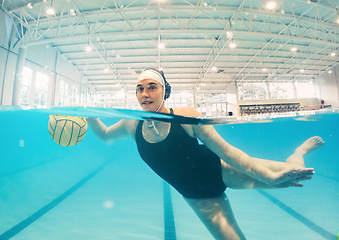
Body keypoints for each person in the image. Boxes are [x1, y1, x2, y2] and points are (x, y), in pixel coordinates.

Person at [87, 68, 324, 240]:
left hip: (224, 171)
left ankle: (299, 151)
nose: (144, 94)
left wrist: (267, 177)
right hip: (198, 197)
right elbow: (106, 135)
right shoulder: (132, 124)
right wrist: (89, 114)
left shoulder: (186, 116)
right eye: (139, 89)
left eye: (151, 87)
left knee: (289, 176)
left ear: (164, 91)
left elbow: (228, 151)